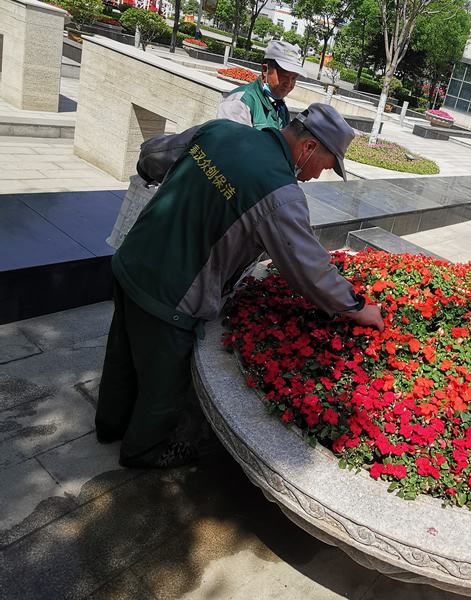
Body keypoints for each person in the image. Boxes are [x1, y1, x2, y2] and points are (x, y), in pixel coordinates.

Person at [95, 103, 384, 469]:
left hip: (133, 259)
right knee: (161, 383)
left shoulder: (221, 131)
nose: (315, 177)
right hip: (172, 294)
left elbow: (155, 154)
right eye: (324, 167)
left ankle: (109, 425)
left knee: (121, 353)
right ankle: (145, 450)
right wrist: (354, 306)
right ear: (308, 147)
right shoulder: (279, 192)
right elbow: (307, 265)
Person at [217, 39, 305, 130]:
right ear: (265, 70)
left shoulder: (281, 107)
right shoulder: (240, 102)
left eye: (294, 78)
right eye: (284, 76)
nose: (289, 84)